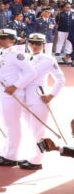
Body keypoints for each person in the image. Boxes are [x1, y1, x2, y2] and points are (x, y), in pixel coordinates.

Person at [0, 28, 35, 167]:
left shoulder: (16, 54)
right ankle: (5, 152)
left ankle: (11, 156)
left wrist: (16, 86)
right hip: (2, 93)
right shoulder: (1, 52)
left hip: (12, 94)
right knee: (6, 125)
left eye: (4, 38)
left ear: (13, 40)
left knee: (12, 125)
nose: (0, 40)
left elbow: (31, 72)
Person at [20, 33, 65, 169]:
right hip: (24, 99)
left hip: (39, 99)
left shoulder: (48, 59)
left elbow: (61, 79)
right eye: (32, 43)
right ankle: (34, 155)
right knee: (32, 131)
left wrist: (51, 95)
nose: (34, 46)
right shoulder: (24, 57)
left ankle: (38, 160)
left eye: (38, 44)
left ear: (44, 45)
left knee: (39, 131)